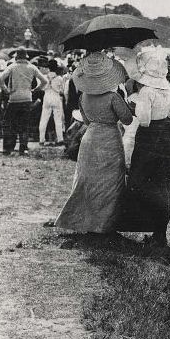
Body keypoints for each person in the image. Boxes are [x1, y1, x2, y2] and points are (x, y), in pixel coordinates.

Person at [54, 52, 132, 234]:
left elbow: (87, 121)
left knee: (88, 180)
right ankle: (104, 224)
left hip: (90, 138)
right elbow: (127, 120)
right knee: (110, 182)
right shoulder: (113, 97)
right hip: (110, 138)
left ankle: (85, 221)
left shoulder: (84, 97)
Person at [118, 48, 170, 247]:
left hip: (149, 137)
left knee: (141, 178)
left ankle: (139, 222)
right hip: (166, 139)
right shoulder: (169, 90)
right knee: (162, 182)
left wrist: (130, 107)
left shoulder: (146, 91)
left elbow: (144, 121)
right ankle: (159, 232)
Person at [0, 49, 48, 155]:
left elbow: (0, 79)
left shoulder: (12, 66)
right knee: (24, 125)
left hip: (14, 98)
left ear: (16, 57)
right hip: (27, 98)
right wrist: (35, 89)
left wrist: (6, 90)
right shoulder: (32, 67)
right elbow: (44, 81)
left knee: (9, 124)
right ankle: (23, 148)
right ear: (26, 57)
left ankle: (8, 148)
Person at [39, 60, 66, 145]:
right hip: (56, 97)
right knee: (58, 120)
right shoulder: (60, 78)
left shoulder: (44, 77)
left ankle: (41, 140)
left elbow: (42, 88)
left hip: (47, 97)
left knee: (44, 119)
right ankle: (60, 139)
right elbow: (62, 91)